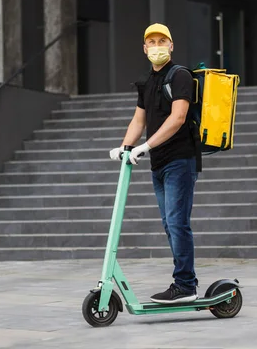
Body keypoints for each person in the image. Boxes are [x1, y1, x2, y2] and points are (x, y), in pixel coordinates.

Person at [109, 23, 199, 304]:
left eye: (163, 41)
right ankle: (184, 282)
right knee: (169, 223)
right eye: (152, 42)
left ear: (171, 46)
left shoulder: (180, 76)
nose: (157, 46)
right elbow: (139, 119)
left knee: (177, 222)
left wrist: (145, 145)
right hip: (158, 164)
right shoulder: (146, 81)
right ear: (145, 48)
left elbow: (178, 118)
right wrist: (125, 147)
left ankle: (185, 284)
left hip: (180, 160)